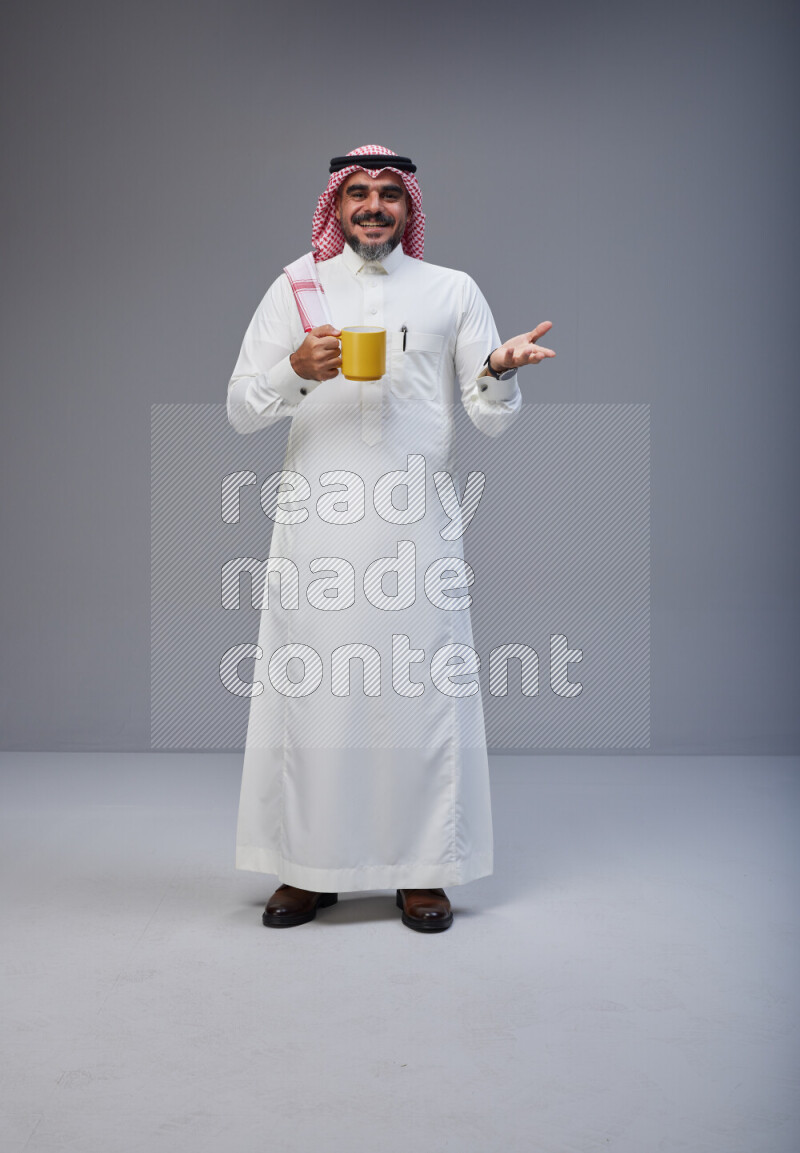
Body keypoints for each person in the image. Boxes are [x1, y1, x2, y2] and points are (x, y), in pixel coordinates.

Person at [226, 145, 554, 932]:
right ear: (335, 208)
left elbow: (488, 417)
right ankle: (308, 869)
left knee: (417, 695)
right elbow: (242, 406)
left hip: (416, 526)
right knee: (316, 694)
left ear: (409, 209)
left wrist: (500, 370)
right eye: (359, 195)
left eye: (389, 196)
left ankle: (422, 871)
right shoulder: (296, 287)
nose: (374, 207)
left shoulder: (451, 291)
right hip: (320, 527)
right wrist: (295, 370)